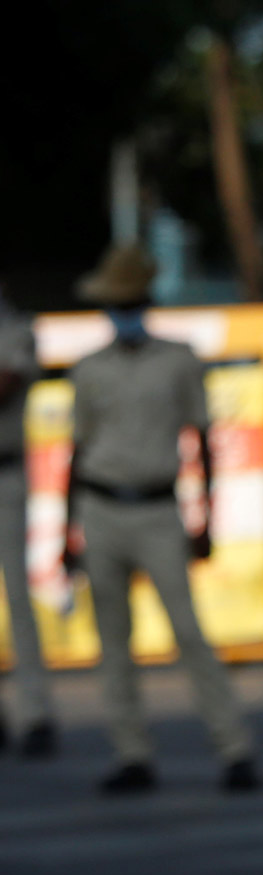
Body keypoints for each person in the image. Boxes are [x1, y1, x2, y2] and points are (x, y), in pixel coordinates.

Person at [67, 244, 258, 794]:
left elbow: (202, 440)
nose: (123, 310)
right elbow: (77, 452)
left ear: (146, 302)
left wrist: (207, 519)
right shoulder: (89, 369)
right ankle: (132, 752)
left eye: (131, 301)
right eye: (116, 302)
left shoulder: (178, 359)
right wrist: (67, 529)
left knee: (189, 634)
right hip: (102, 506)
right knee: (113, 640)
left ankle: (234, 746)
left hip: (157, 506)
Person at [0, 280, 55, 757]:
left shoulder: (15, 328)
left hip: (5, 474)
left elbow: (6, 383)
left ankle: (36, 712)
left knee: (18, 596)